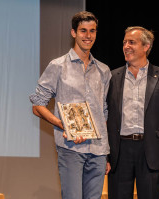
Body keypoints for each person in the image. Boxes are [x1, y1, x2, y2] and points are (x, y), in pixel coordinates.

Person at [29, 11, 111, 199]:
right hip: (71, 147)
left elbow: (103, 112)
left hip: (98, 150)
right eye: (83, 31)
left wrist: (106, 153)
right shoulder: (58, 66)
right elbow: (37, 105)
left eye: (92, 31)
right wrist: (63, 124)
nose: (88, 36)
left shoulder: (104, 70)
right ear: (73, 33)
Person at [107, 26, 159, 199]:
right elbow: (106, 117)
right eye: (124, 42)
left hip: (151, 152)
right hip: (120, 152)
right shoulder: (112, 76)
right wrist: (105, 155)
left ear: (146, 46)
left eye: (132, 42)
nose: (126, 46)